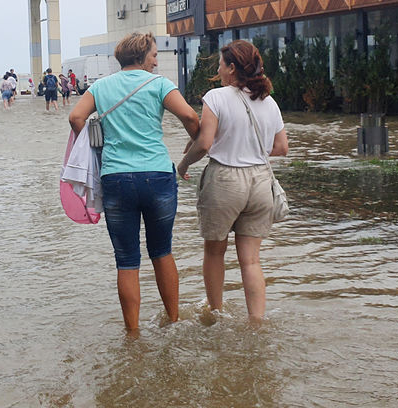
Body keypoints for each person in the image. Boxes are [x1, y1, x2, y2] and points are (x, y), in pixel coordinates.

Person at [69, 32, 199, 334]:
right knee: (162, 251)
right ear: (141, 56)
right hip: (157, 176)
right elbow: (191, 117)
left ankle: (132, 333)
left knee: (126, 259)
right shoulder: (160, 85)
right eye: (154, 54)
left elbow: (76, 118)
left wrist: (96, 146)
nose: (156, 60)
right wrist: (193, 142)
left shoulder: (101, 86)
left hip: (116, 179)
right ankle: (173, 322)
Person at [177, 40, 289, 322]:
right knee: (251, 260)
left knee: (214, 252)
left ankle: (215, 314)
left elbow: (203, 144)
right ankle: (257, 322)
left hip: (225, 179)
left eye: (219, 64)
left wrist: (183, 164)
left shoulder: (216, 97)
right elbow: (281, 147)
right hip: (261, 181)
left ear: (231, 68)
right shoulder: (269, 101)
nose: (217, 68)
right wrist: (251, 150)